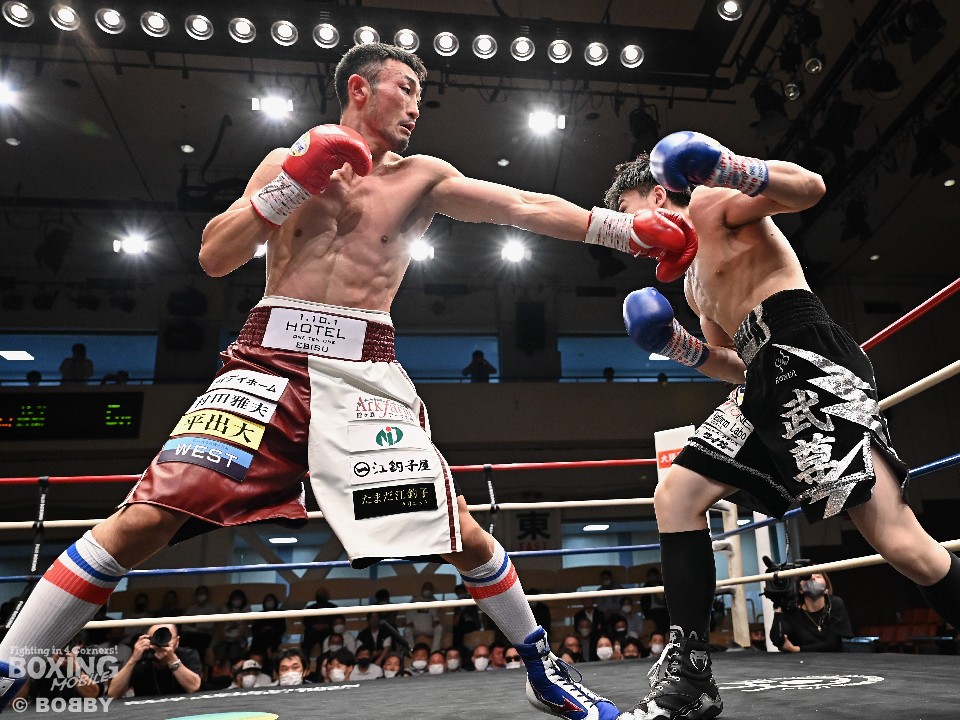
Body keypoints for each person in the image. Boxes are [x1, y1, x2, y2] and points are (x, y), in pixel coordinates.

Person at [0, 42, 700, 720]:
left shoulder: (422, 177)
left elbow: (523, 205)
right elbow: (215, 255)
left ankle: (544, 668)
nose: (417, 106)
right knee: (144, 520)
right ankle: (10, 668)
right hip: (264, 369)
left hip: (366, 383)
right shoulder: (286, 159)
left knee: (456, 531)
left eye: (422, 95)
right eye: (407, 89)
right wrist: (292, 184)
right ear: (359, 89)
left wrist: (628, 232)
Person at [612, 131, 960, 719]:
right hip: (762, 380)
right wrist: (677, 345)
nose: (635, 238)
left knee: (905, 548)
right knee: (675, 494)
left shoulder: (710, 201)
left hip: (809, 357)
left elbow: (808, 188)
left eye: (631, 217)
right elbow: (733, 362)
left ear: (659, 195)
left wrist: (725, 167)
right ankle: (691, 675)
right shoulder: (693, 283)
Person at [106, 623, 202, 698]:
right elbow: (113, 694)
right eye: (156, 637)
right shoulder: (141, 659)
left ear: (177, 642)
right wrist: (133, 659)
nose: (161, 641)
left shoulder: (188, 655)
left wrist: (172, 660)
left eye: (166, 637)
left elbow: (194, 687)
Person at [769, 572, 852, 653]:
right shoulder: (793, 612)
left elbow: (830, 644)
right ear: (800, 589)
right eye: (807, 577)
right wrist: (778, 608)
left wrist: (796, 649)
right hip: (804, 661)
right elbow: (777, 641)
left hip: (835, 659)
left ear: (826, 589)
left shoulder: (835, 604)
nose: (812, 578)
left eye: (818, 576)